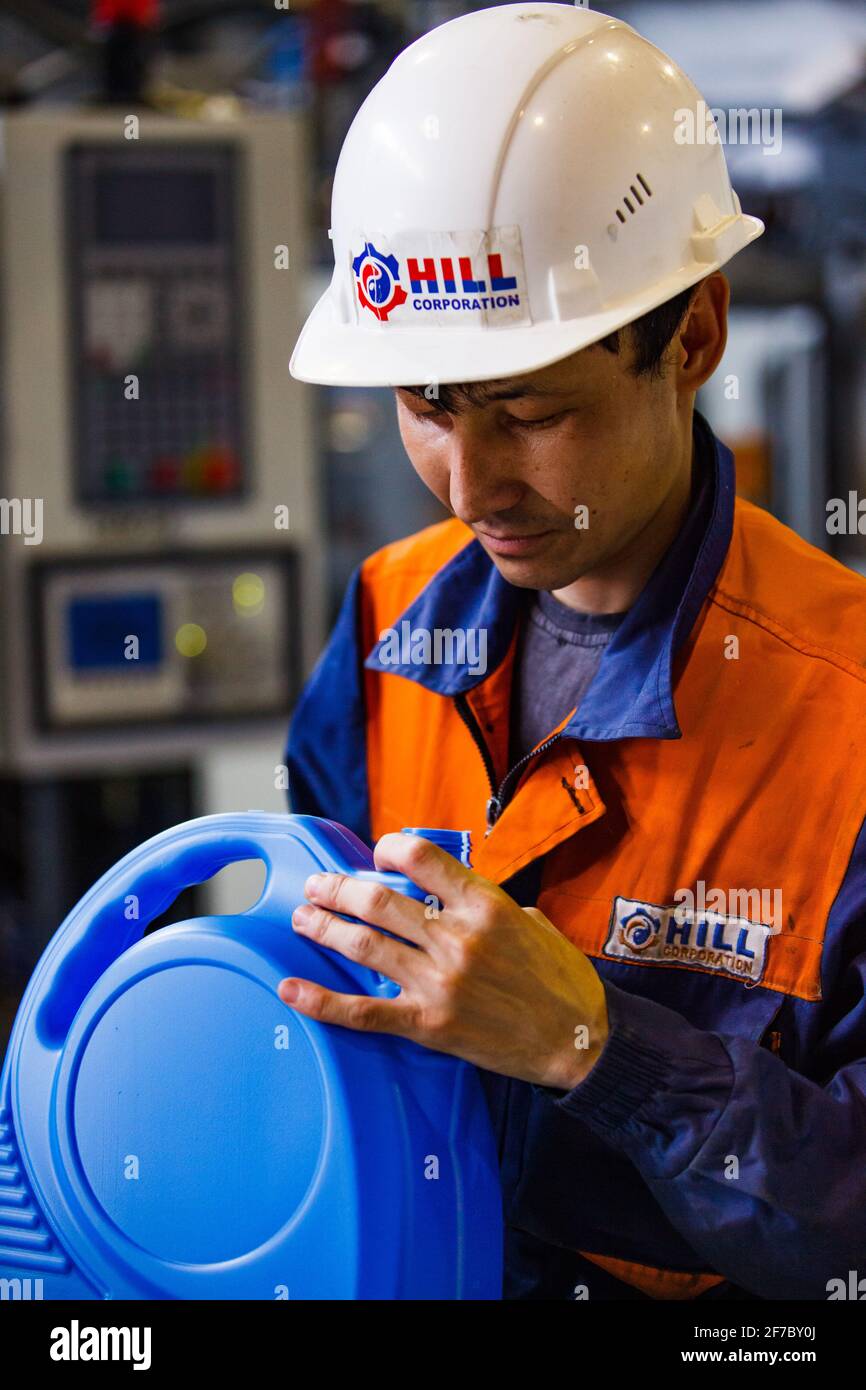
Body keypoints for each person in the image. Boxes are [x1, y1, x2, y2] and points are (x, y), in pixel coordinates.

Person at [280, 3, 866, 1299]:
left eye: (533, 412)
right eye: (427, 407)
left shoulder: (845, 711)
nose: (469, 483)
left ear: (693, 338)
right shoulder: (387, 621)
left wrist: (594, 1043)